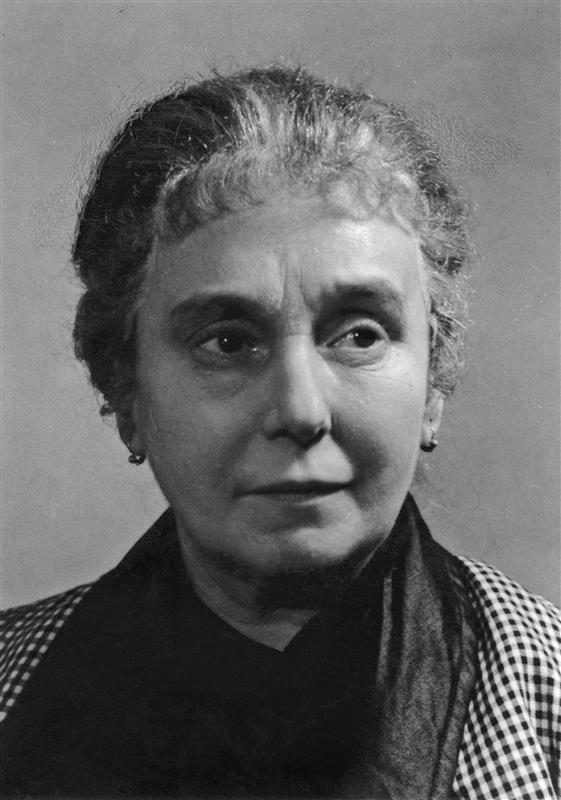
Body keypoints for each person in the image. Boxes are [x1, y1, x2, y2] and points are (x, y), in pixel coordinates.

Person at [1, 66, 559, 799]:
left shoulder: (545, 694)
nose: (300, 410)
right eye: (228, 343)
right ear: (126, 389)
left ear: (433, 383)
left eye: (359, 335)